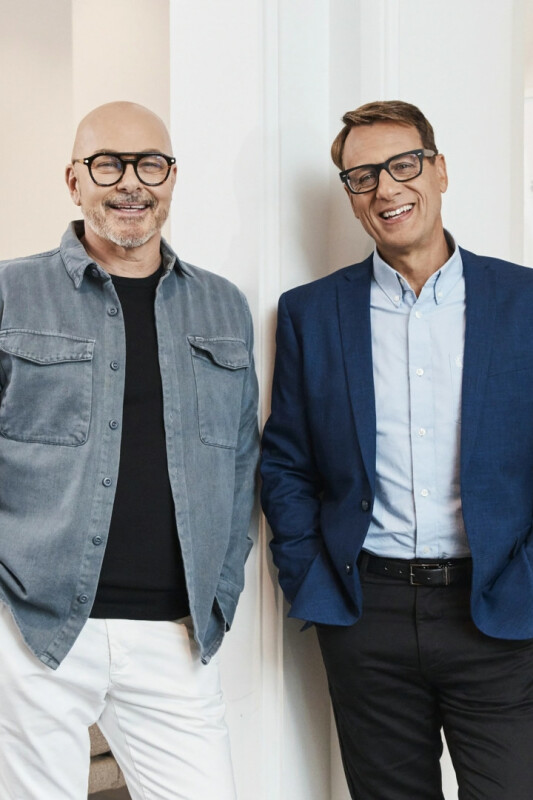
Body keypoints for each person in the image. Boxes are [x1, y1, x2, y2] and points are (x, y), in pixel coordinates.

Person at [260, 100, 533, 799]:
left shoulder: (522, 300)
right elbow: (286, 462)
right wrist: (310, 578)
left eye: (403, 165)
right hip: (365, 616)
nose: (385, 189)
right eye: (362, 177)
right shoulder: (310, 313)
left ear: (439, 171)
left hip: (499, 612)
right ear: (351, 196)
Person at [0, 101, 259, 800]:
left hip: (175, 634)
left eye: (150, 164)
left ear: (171, 178)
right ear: (73, 181)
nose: (131, 183)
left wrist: (221, 591)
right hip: (35, 625)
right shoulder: (11, 293)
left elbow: (240, 460)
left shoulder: (222, 306)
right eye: (108, 164)